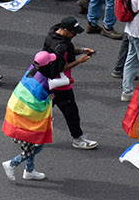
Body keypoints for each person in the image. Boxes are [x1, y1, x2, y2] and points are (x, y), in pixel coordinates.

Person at [40, 16, 99, 150]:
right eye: (73, 32)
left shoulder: (53, 36)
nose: (75, 35)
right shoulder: (60, 46)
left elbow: (65, 55)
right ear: (65, 30)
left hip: (47, 84)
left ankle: (26, 135)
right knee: (71, 113)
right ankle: (78, 139)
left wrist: (80, 50)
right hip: (60, 86)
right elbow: (59, 68)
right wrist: (79, 61)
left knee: (41, 112)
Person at [3, 50, 60, 181]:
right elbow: (40, 105)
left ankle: (29, 170)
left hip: (17, 112)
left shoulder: (33, 69)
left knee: (29, 144)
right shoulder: (44, 83)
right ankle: (12, 164)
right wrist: (49, 97)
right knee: (37, 144)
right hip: (27, 119)